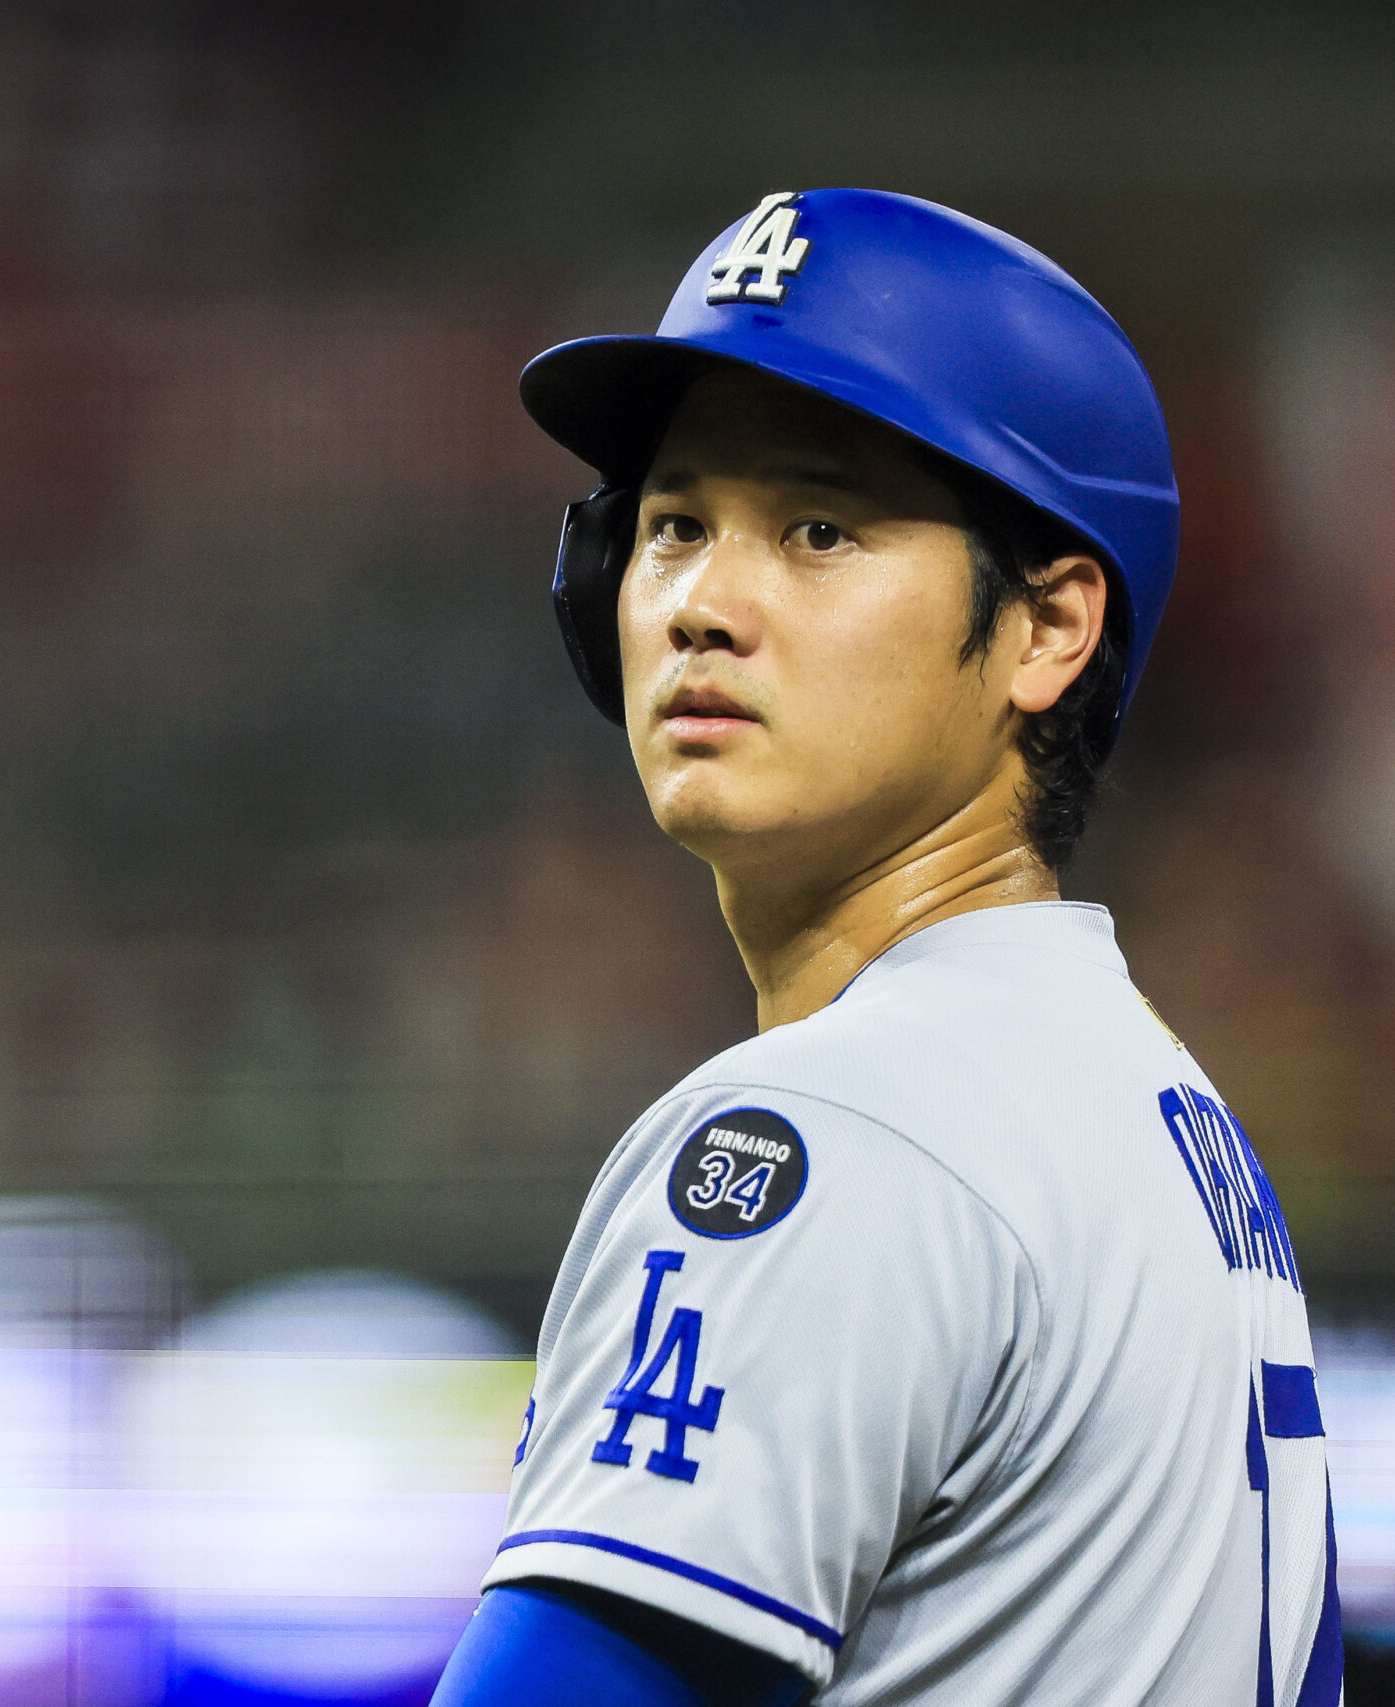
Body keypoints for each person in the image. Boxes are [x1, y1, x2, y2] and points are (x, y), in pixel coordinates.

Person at [430, 189, 1340, 1706]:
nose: (704, 605)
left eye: (819, 527)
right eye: (672, 527)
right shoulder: (1157, 1110)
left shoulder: (837, 1134)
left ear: (1048, 628)